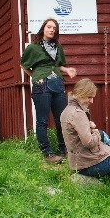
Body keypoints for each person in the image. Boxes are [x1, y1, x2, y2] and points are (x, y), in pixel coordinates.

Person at [21, 18, 77, 164]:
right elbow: (23, 64)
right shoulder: (33, 47)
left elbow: (58, 65)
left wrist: (67, 69)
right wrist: (35, 76)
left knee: (62, 119)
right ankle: (48, 153)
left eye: (54, 28)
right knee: (42, 121)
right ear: (43, 28)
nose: (51, 30)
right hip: (42, 85)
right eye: (49, 27)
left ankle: (64, 150)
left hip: (58, 84)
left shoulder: (58, 47)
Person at [61, 78, 110, 186]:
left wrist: (88, 127)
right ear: (81, 93)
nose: (91, 101)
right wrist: (96, 132)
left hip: (80, 162)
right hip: (89, 166)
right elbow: (89, 142)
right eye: (89, 97)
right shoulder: (77, 113)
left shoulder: (68, 110)